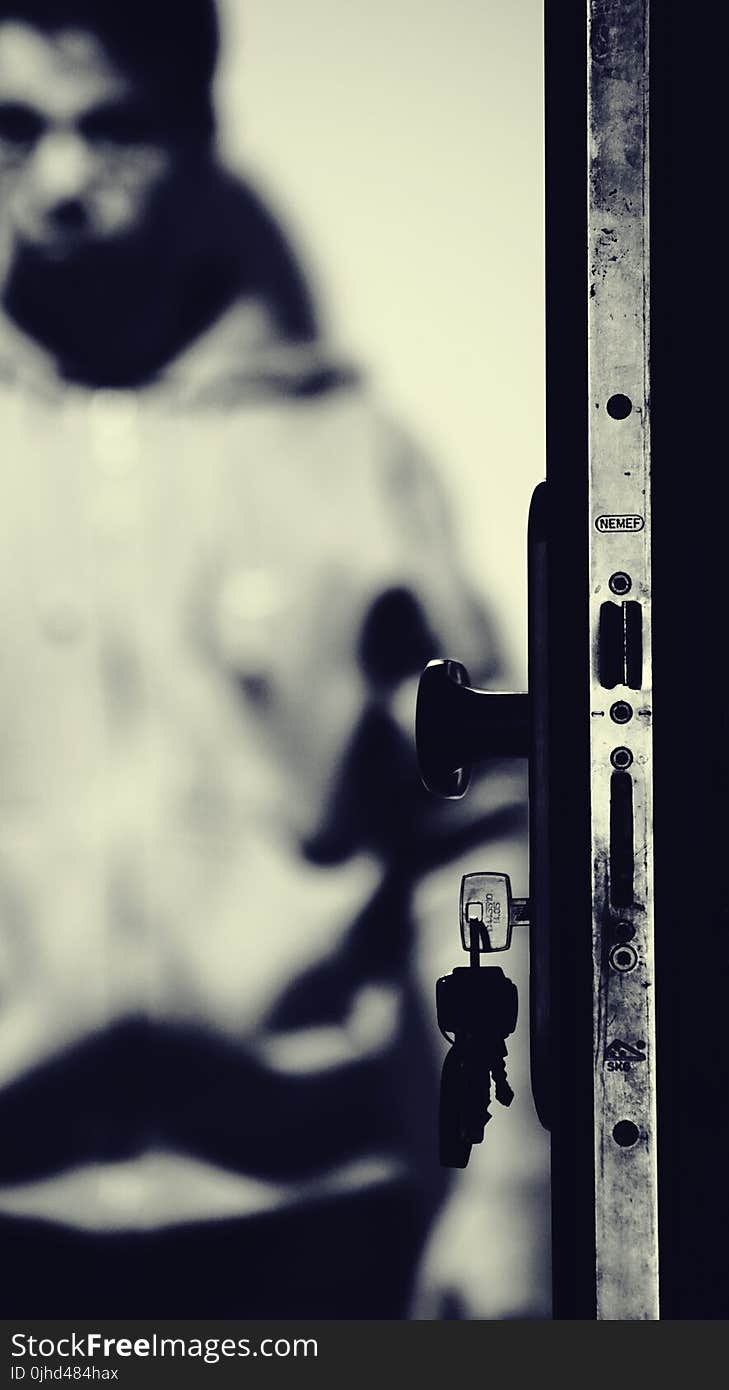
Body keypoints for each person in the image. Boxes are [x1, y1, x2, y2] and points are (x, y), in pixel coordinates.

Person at [0, 0, 549, 1317]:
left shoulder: (352, 459)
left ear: (197, 137)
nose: (64, 181)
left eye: (114, 128)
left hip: (307, 1246)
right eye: (15, 132)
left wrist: (510, 1171)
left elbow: (478, 834)